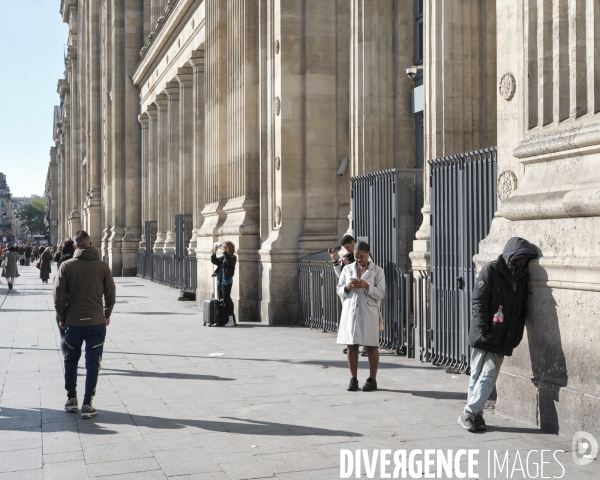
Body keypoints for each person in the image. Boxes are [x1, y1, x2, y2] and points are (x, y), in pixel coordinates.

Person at [458, 237, 538, 433]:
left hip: (502, 335)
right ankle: (472, 414)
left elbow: (520, 309)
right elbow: (479, 300)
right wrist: (484, 327)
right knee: (476, 374)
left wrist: (516, 333)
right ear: (511, 255)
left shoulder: (522, 277)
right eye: (519, 258)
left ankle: (471, 412)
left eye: (525, 260)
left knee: (488, 375)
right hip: (484, 332)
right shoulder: (491, 270)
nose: (522, 262)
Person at [53, 230, 116, 419]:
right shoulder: (103, 266)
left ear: (74, 246)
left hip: (73, 322)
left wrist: (62, 317)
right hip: (96, 322)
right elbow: (111, 294)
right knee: (92, 363)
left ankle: (72, 399)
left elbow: (58, 296)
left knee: (71, 360)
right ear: (91, 244)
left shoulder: (66, 266)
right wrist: (107, 314)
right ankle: (88, 403)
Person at [336, 241, 385, 392]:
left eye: (361, 257)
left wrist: (366, 286)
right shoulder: (347, 269)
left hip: (369, 311)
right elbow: (339, 289)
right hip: (351, 310)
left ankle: (372, 379)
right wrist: (347, 287)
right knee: (351, 345)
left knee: (371, 345)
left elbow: (381, 293)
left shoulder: (377, 271)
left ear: (368, 254)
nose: (358, 259)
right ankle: (353, 379)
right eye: (356, 257)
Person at [329, 235, 368, 357]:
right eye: (346, 248)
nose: (347, 250)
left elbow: (364, 272)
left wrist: (348, 264)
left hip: (363, 293)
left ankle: (366, 345)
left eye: (348, 247)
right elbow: (342, 276)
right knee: (351, 320)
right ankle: (351, 344)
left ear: (353, 242)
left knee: (365, 320)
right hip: (349, 294)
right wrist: (335, 260)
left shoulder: (364, 255)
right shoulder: (348, 256)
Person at [210, 241, 237, 327]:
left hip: (227, 282)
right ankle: (222, 319)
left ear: (230, 248)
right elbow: (214, 261)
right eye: (223, 247)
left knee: (226, 300)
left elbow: (229, 261)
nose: (224, 249)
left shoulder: (233, 257)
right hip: (219, 282)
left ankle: (231, 319)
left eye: (226, 247)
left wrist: (224, 252)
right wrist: (215, 251)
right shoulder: (223, 258)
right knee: (221, 300)